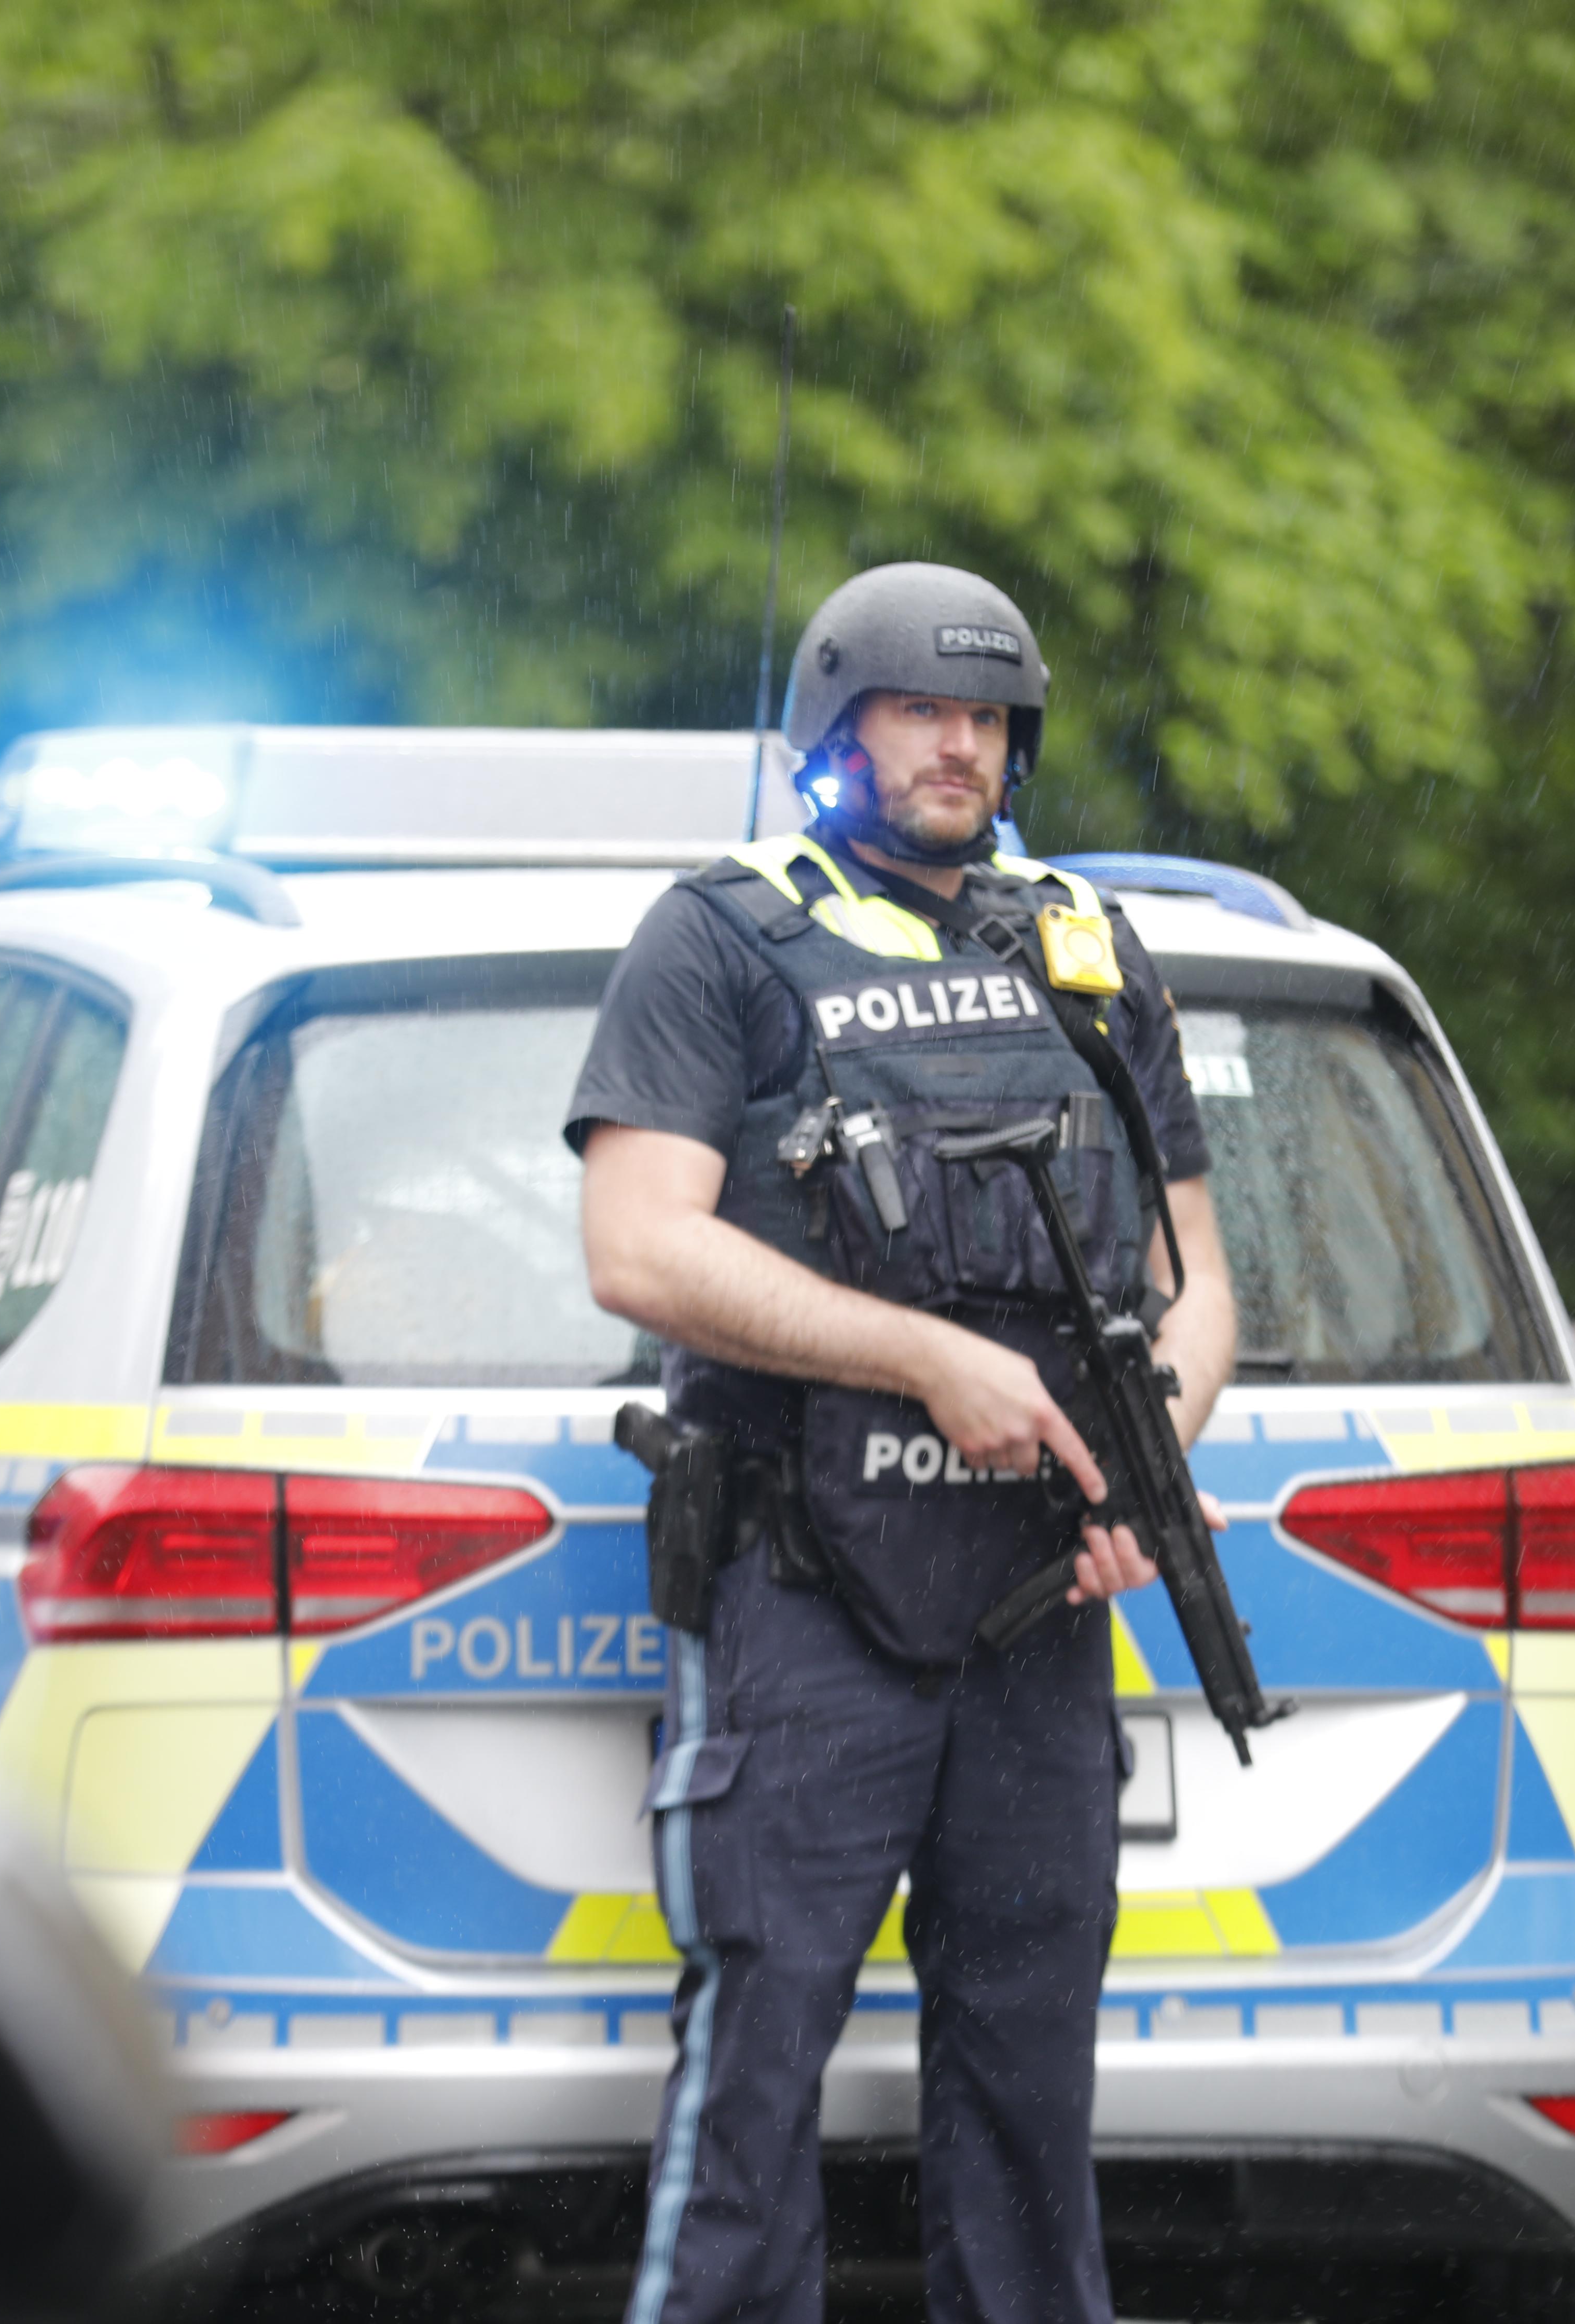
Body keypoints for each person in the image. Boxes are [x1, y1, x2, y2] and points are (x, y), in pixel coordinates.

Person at [566, 561, 1234, 2324]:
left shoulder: (1082, 945)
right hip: (806, 1598)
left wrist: (1140, 1478)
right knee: (759, 2067)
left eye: (991, 717)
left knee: (1031, 2085)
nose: (963, 746)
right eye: (923, 710)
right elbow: (639, 1244)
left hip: (1035, 1612)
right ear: (835, 729)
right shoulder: (719, 938)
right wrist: (922, 1354)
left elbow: (1205, 1285)